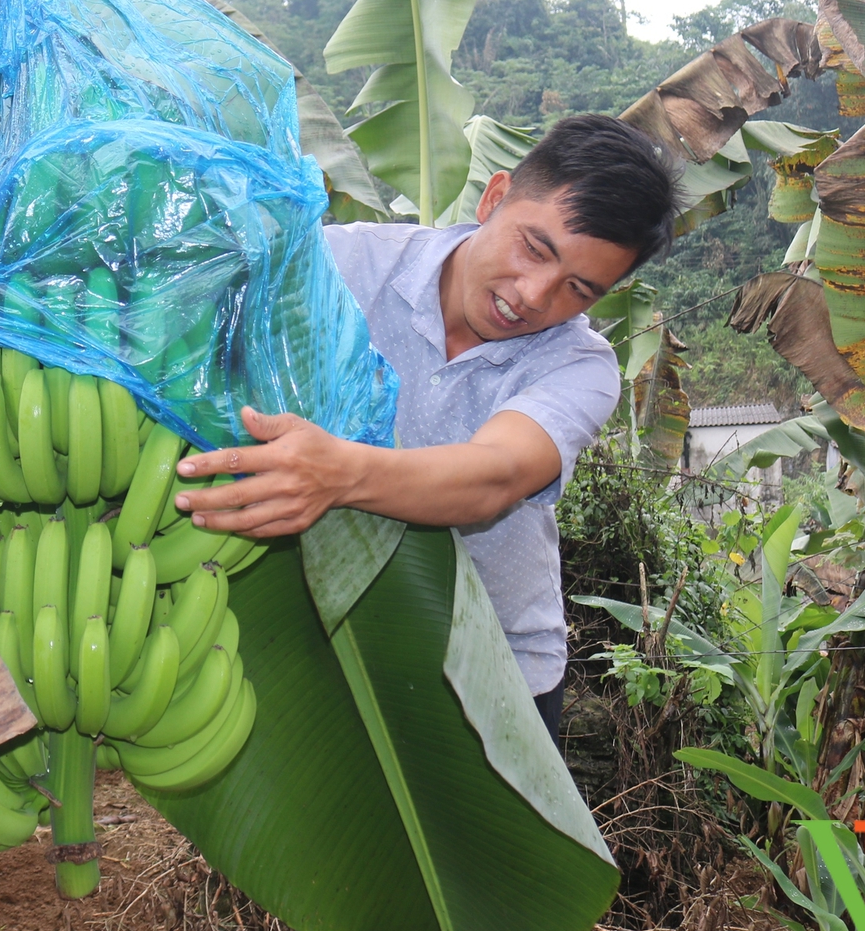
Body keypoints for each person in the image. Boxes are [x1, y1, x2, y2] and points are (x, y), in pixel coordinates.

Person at [171, 111, 682, 748]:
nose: (532, 295)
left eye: (577, 288)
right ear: (494, 198)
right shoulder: (338, 268)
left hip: (497, 675)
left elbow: (495, 475)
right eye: (534, 247)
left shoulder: (579, 365)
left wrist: (339, 473)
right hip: (325, 656)